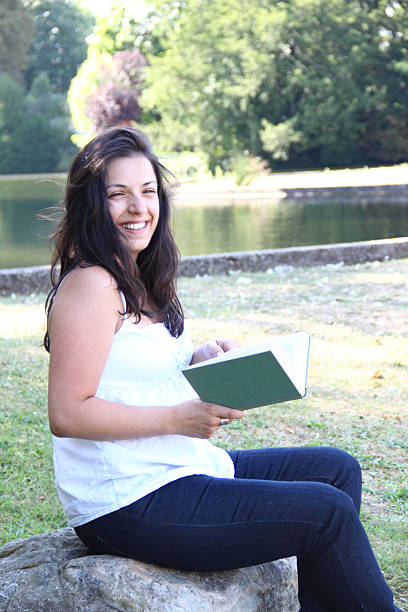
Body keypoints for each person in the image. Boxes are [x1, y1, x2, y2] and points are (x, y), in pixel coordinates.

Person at [45, 125, 401, 612]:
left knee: (337, 470)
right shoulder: (90, 285)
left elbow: (131, 372)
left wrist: (200, 361)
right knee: (327, 513)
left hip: (180, 469)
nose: (139, 208)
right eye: (118, 195)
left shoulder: (142, 277)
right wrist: (178, 418)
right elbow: (68, 414)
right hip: (129, 500)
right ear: (92, 204)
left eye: (148, 192)